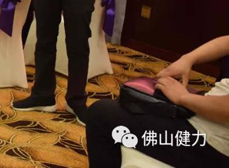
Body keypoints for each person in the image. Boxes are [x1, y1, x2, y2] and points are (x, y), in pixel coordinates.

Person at [87, 36, 229, 167]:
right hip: (209, 121)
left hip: (211, 144)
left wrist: (183, 97)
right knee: (132, 102)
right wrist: (189, 58)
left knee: (100, 114)